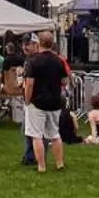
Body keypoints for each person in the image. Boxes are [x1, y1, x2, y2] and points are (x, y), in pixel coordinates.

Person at [21, 32, 67, 173]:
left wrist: (27, 101)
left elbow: (29, 84)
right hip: (54, 102)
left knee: (36, 136)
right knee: (55, 135)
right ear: (52, 43)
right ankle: (59, 163)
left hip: (37, 102)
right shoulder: (59, 60)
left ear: (39, 43)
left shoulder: (33, 61)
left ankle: (41, 166)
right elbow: (64, 81)